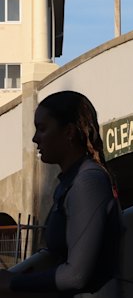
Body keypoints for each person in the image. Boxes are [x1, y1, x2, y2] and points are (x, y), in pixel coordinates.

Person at [0, 91, 121, 297]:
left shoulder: (88, 181)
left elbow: (76, 276)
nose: (35, 138)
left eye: (42, 129)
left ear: (69, 132)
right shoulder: (70, 181)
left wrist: (13, 283)